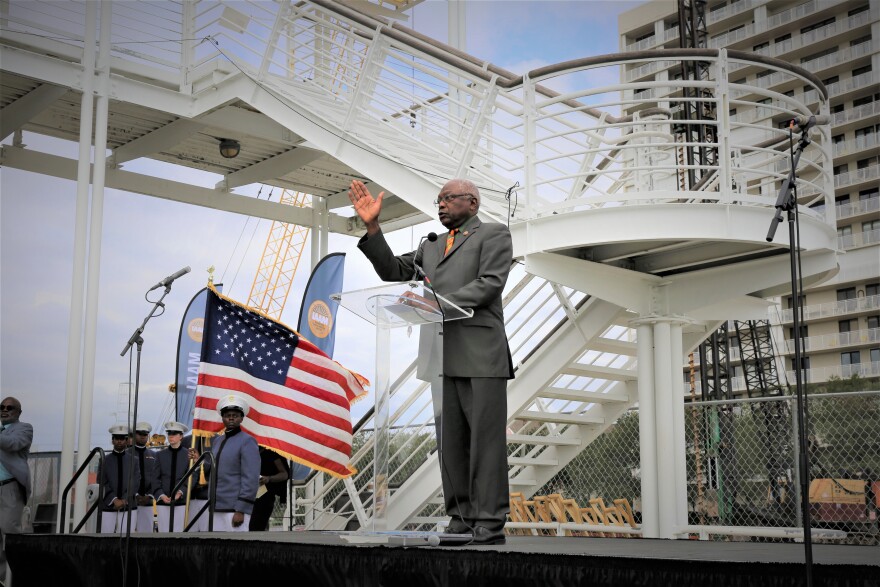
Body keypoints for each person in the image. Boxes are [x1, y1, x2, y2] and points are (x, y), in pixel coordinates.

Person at [349, 178, 514, 545]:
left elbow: (490, 283)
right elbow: (393, 271)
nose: (440, 205)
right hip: (440, 356)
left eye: (447, 199)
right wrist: (373, 228)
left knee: (484, 443)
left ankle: (489, 520)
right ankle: (461, 516)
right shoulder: (431, 245)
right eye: (438, 200)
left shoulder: (494, 234)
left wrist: (437, 303)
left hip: (481, 356)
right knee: (451, 443)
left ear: (471, 202)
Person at [188, 395, 260, 532]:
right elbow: (215, 469)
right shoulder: (218, 441)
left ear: (241, 418)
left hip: (234, 509)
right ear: (222, 418)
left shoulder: (247, 441)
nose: (231, 418)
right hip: (215, 506)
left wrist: (241, 509)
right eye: (227, 415)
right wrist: (199, 461)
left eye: (235, 415)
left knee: (237, 550)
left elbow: (250, 478)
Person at [1, 397, 32, 585]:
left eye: (9, 407)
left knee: (10, 538)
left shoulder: (24, 428)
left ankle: (18, 579)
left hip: (9, 489)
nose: (4, 410)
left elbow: (12, 444)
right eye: (1, 407)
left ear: (18, 412)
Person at [99, 424, 140, 534]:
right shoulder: (104, 460)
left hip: (129, 505)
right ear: (112, 440)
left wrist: (124, 500)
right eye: (117, 438)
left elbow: (135, 482)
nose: (119, 441)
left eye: (122, 438)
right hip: (109, 505)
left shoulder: (134, 460)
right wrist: (114, 500)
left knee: (128, 536)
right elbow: (102, 482)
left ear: (127, 441)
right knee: (106, 536)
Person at [155, 421, 191, 532]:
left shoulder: (188, 455)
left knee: (179, 533)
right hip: (163, 501)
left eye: (174, 434)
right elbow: (155, 478)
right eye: (169, 433)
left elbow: (190, 478)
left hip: (181, 502)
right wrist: (160, 495)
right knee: (163, 533)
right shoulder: (160, 455)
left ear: (181, 436)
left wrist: (180, 492)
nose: (171, 436)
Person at [248, 447, 290, 531]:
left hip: (264, 496)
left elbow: (284, 474)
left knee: (256, 527)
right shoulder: (247, 451)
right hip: (245, 496)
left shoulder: (271, 452)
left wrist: (268, 478)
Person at [132, 421, 159, 533]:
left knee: (146, 535)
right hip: (131, 501)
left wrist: (150, 495)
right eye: (140, 434)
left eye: (145, 434)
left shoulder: (154, 455)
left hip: (148, 502)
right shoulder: (127, 453)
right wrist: (136, 495)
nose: (143, 437)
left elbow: (156, 477)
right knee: (127, 533)